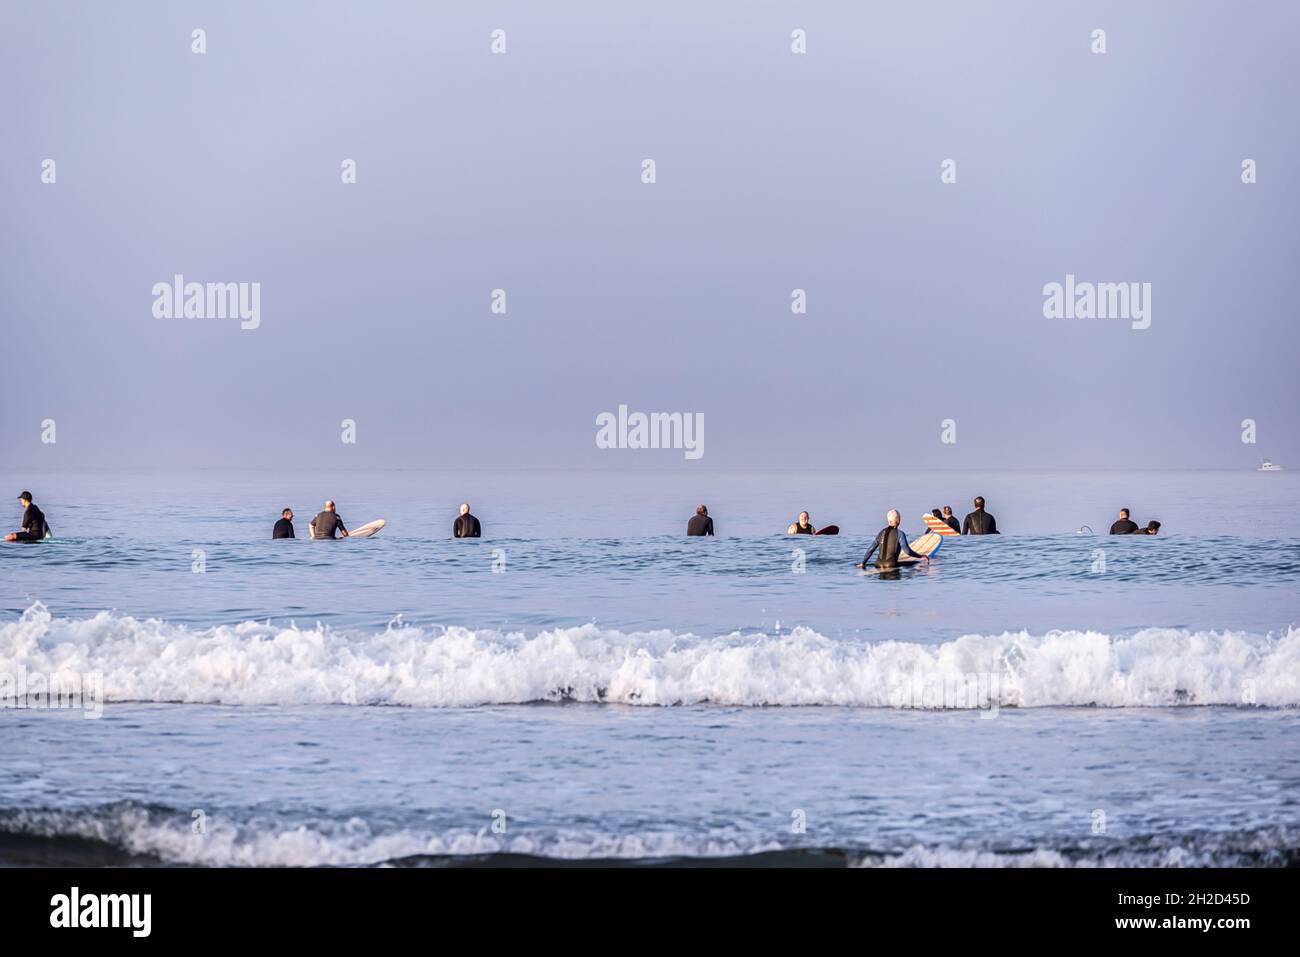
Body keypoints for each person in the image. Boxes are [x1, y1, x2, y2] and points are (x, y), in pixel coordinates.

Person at [857, 509, 928, 570]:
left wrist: (863, 563)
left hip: (877, 565)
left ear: (888, 521)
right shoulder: (900, 533)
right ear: (899, 520)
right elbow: (907, 551)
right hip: (891, 565)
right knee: (918, 563)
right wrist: (921, 556)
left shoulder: (881, 532)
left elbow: (871, 549)